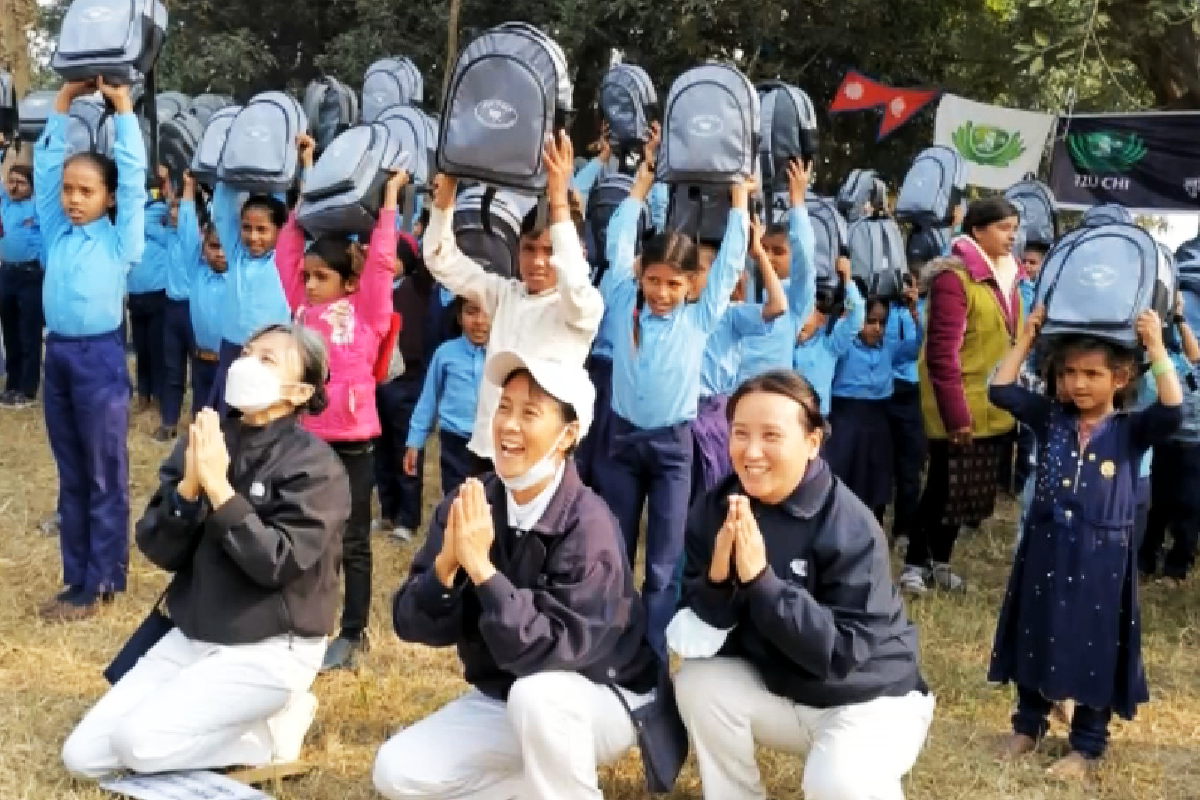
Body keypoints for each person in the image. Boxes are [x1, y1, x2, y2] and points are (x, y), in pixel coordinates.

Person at [61, 324, 350, 778]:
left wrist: (220, 490)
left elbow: (275, 563)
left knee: (138, 745)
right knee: (82, 759)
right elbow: (158, 548)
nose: (247, 364)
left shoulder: (316, 468)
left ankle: (272, 731)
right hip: (194, 630)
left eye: (268, 359)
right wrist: (190, 491)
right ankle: (226, 721)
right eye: (248, 351)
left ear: (297, 391)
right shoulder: (208, 437)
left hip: (272, 646)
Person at [374, 351, 665, 800]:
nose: (508, 424)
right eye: (504, 407)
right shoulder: (470, 502)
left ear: (568, 435)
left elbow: (554, 651)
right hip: (509, 692)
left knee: (540, 697)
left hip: (601, 693)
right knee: (396, 771)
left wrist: (485, 574)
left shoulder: (589, 524)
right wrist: (445, 567)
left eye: (530, 412)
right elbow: (409, 623)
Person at [669, 370, 934, 800]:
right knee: (700, 684)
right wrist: (718, 580)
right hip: (784, 689)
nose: (751, 452)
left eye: (771, 435)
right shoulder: (717, 508)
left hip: (867, 699)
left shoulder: (850, 524)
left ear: (812, 441)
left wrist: (762, 583)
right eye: (740, 433)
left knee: (837, 784)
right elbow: (694, 635)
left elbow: (842, 653)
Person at [988, 307, 1181, 777]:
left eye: (1092, 374)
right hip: (1045, 547)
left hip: (1102, 557)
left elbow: (1173, 409)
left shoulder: (1130, 430)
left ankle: (1088, 743)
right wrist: (1025, 339)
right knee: (1035, 628)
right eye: (1070, 372)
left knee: (1095, 644)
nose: (1079, 383)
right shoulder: (1049, 417)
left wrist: (1156, 345)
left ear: (1120, 378)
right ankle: (1027, 725)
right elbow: (1001, 391)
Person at [596, 150, 751, 657]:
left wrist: (739, 201)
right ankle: (612, 643)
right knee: (616, 547)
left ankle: (654, 654)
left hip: (671, 449)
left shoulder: (700, 318)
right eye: (654, 280)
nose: (662, 292)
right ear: (642, 277)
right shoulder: (622, 301)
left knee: (664, 560)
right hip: (621, 440)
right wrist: (638, 190)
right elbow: (618, 243)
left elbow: (731, 260)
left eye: (674, 283)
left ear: (691, 287)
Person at [275, 135, 401, 671]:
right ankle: (305, 619)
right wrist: (307, 181)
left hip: (354, 444)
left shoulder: (368, 308)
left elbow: (379, 262)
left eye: (321, 277)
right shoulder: (301, 309)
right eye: (307, 277)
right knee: (306, 534)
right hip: (307, 440)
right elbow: (287, 249)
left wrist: (390, 202)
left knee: (352, 540)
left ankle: (353, 632)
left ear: (346, 280)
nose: (310, 284)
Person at [35, 78, 146, 622]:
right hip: (56, 357)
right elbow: (42, 171)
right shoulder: (55, 232)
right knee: (71, 471)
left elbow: (135, 181)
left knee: (104, 471)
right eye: (68, 190)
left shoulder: (121, 238)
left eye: (86, 192)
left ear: (107, 198)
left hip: (99, 359)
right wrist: (62, 104)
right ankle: (75, 575)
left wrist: (123, 110)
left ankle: (101, 580)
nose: (73, 200)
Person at [423, 132, 603, 464]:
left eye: (549, 251)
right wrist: (446, 195)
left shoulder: (582, 307)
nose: (537, 261)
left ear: (573, 252)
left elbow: (575, 286)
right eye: (529, 249)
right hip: (489, 448)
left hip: (542, 456)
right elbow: (440, 259)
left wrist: (559, 201)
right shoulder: (504, 294)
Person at [903, 198, 1023, 594]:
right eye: (1004, 228)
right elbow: (941, 355)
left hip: (993, 406)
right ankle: (914, 565)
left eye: (1014, 228)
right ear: (977, 230)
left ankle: (941, 562)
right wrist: (956, 416)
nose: (1012, 236)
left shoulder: (1009, 278)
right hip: (959, 404)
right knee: (941, 487)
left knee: (966, 493)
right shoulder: (955, 278)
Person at [689, 217, 787, 498]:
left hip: (713, 414)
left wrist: (757, 253)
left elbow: (777, 305)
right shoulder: (675, 313)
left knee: (712, 495)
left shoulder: (730, 314)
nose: (693, 277)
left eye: (701, 269)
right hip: (679, 417)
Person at [827, 286, 922, 521]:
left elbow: (918, 345)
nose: (877, 329)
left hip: (879, 419)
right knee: (843, 478)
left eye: (882, 322)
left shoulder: (889, 349)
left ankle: (872, 532)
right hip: (845, 418)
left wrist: (917, 311)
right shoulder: (843, 347)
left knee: (875, 480)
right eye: (871, 321)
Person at [206, 177, 290, 415]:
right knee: (229, 411)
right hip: (232, 347)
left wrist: (303, 168)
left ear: (279, 230)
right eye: (247, 227)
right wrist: (226, 171)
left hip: (271, 352)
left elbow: (300, 217)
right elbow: (222, 212)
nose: (253, 237)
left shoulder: (283, 260)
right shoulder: (236, 254)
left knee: (264, 412)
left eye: (262, 229)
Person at [374, 231, 434, 541]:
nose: (386, 264)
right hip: (377, 381)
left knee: (405, 447)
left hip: (408, 381)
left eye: (393, 257)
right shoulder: (370, 290)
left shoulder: (417, 287)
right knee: (380, 449)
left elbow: (429, 260)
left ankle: (407, 519)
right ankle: (387, 511)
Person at [1138, 297, 1200, 582]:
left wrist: (1179, 319)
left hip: (1194, 447)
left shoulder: (1184, 358)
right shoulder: (1159, 361)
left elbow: (1195, 355)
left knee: (1189, 505)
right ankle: (1146, 557)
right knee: (1157, 505)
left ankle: (1177, 566)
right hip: (1163, 443)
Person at [404, 295, 491, 499]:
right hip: (455, 442)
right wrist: (415, 441)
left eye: (487, 312)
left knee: (491, 502)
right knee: (455, 499)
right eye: (471, 312)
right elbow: (428, 400)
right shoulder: (445, 354)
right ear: (459, 317)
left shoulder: (504, 355)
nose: (479, 320)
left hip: (492, 443)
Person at [175, 172, 228, 414]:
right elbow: (186, 231)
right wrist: (188, 187)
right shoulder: (196, 271)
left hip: (230, 365)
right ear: (203, 246)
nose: (220, 254)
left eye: (226, 248)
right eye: (214, 246)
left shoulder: (240, 276)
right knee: (202, 419)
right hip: (201, 364)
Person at [792, 256, 866, 415]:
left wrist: (847, 280)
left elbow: (856, 316)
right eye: (796, 312)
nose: (799, 320)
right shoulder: (781, 341)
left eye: (806, 312)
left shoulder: (828, 346)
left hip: (817, 419)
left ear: (820, 319)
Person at [127, 172, 172, 421]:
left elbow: (179, 212)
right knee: (141, 349)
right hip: (135, 295)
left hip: (158, 294)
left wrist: (168, 188)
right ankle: (143, 394)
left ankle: (158, 396)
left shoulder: (160, 211)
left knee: (157, 350)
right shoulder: (128, 217)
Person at [0, 158, 43, 408]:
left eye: (21, 183)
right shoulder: (5, 203)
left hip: (31, 276)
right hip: (6, 273)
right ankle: (12, 384)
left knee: (29, 333)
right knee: (10, 332)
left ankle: (27, 389)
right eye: (11, 182)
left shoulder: (37, 207)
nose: (14, 187)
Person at [156, 167, 192, 442]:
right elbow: (169, 201)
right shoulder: (169, 235)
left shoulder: (195, 241)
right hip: (171, 310)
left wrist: (188, 188)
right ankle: (168, 421)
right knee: (172, 369)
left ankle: (199, 424)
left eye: (179, 209)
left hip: (195, 311)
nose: (173, 212)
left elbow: (185, 212)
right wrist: (167, 181)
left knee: (202, 371)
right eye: (172, 209)